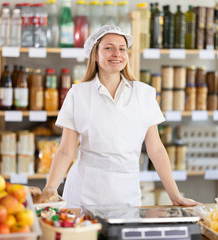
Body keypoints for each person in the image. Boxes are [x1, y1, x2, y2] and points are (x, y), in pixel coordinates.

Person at [39, 25, 200, 208]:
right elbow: (66, 151)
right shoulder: (78, 94)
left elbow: (156, 150)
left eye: (122, 49)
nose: (117, 53)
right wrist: (50, 189)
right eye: (109, 48)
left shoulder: (144, 94)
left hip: (126, 194)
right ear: (95, 55)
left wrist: (175, 196)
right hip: (84, 193)